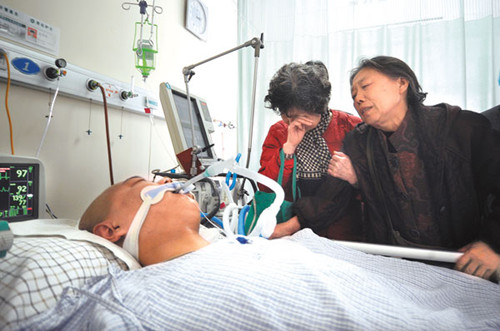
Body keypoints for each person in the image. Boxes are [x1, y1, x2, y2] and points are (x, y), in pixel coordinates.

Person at [273, 56, 500, 282]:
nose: (358, 99)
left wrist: (493, 243)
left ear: (401, 83)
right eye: (354, 95)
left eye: (365, 87)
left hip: (463, 262)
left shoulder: (459, 128)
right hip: (394, 262)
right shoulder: (358, 143)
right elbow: (330, 198)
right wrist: (285, 228)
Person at [259, 61, 363, 241]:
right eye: (285, 115)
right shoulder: (279, 131)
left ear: (319, 107)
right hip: (293, 235)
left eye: (299, 115)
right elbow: (265, 188)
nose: (290, 121)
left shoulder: (350, 127)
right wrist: (289, 148)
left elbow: (372, 189)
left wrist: (355, 177)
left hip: (344, 233)